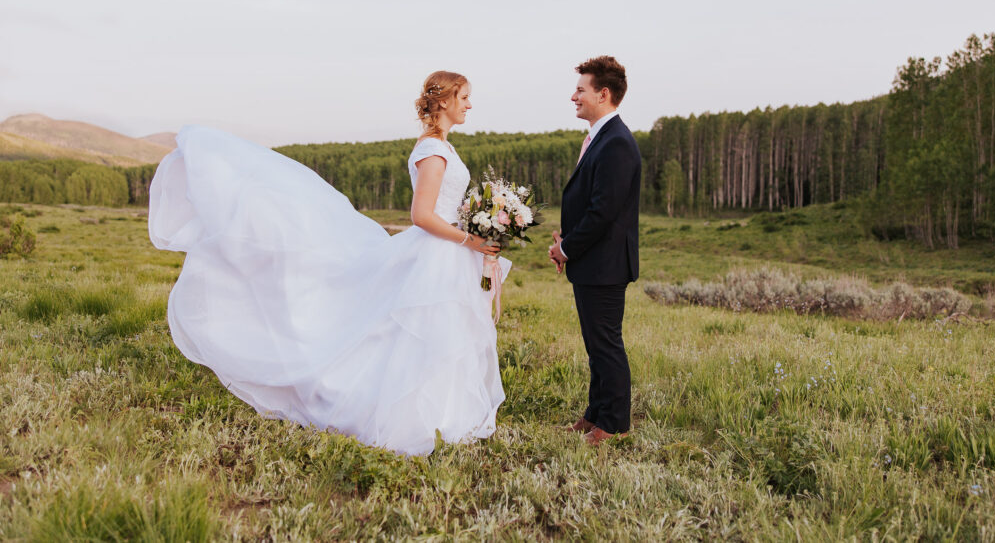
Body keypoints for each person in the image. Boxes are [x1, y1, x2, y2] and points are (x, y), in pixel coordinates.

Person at [148, 71, 510, 456]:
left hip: (447, 253)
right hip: (436, 253)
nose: (470, 105)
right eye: (465, 97)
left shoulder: (443, 148)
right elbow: (422, 214)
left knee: (441, 335)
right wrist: (470, 238)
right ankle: (416, 415)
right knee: (419, 334)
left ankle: (447, 411)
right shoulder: (434, 151)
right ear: (444, 101)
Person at [548, 56, 641, 446]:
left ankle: (615, 423)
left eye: (581, 90)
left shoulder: (617, 142)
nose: (574, 96)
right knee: (595, 343)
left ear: (603, 94)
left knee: (606, 343)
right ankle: (595, 413)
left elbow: (603, 211)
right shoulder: (601, 137)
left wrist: (565, 248)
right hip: (592, 263)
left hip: (604, 265)